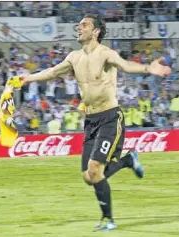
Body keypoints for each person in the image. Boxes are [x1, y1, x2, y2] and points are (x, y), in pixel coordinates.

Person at [19, 14, 172, 231]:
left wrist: (149, 69)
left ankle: (108, 220)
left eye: (84, 25)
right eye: (79, 24)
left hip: (110, 117)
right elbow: (52, 72)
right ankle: (128, 160)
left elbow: (126, 66)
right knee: (88, 177)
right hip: (90, 121)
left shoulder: (105, 53)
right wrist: (28, 78)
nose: (79, 27)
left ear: (96, 31)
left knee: (94, 170)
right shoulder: (74, 57)